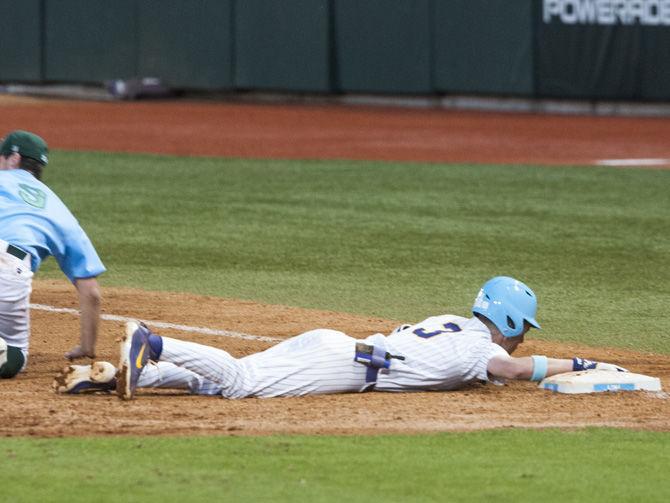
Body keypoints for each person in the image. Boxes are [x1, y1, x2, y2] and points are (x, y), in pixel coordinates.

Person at [53, 276, 626, 398]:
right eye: (522, 328)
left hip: (335, 345)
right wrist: (579, 364)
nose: (523, 339)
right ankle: (154, 343)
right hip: (347, 365)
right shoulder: (481, 347)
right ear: (504, 320)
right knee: (241, 384)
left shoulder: (454, 320)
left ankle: (119, 375)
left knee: (216, 384)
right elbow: (510, 370)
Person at [0, 130, 106, 378]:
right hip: (11, 273)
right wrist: (87, 347)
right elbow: (91, 293)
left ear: (14, 159)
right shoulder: (59, 211)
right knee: (14, 357)